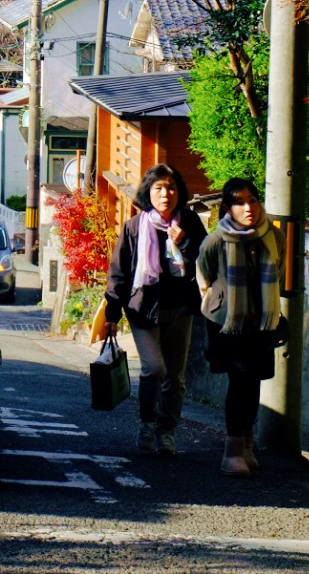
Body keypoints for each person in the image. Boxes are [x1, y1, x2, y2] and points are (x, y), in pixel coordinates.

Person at [102, 163, 206, 456]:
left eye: (171, 188)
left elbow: (205, 260)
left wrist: (183, 242)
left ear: (179, 192)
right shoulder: (135, 227)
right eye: (159, 188)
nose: (166, 194)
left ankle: (167, 431)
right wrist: (111, 314)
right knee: (153, 369)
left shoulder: (190, 223)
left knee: (175, 375)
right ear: (149, 191)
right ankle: (148, 422)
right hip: (143, 308)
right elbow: (119, 272)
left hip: (180, 307)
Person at [196, 176, 289, 477]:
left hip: (262, 320)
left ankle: (247, 443)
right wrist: (222, 299)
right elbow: (204, 272)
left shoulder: (274, 237)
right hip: (228, 322)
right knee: (240, 380)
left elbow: (279, 270)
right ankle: (232, 450)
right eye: (239, 202)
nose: (248, 207)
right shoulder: (217, 239)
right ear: (228, 207)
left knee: (254, 382)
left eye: (252, 200)